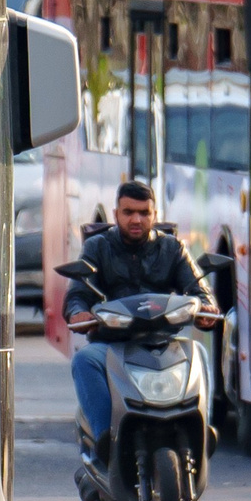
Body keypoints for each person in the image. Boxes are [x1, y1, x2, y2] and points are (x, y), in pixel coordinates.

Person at [63, 181, 207, 447]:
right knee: (84, 360)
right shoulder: (97, 247)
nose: (136, 219)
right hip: (112, 344)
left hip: (164, 343)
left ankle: (202, 430)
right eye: (129, 212)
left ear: (154, 215)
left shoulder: (173, 248)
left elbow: (199, 289)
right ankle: (105, 436)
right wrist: (78, 312)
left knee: (200, 353)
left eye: (144, 212)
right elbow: (76, 295)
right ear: (116, 214)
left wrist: (206, 307)